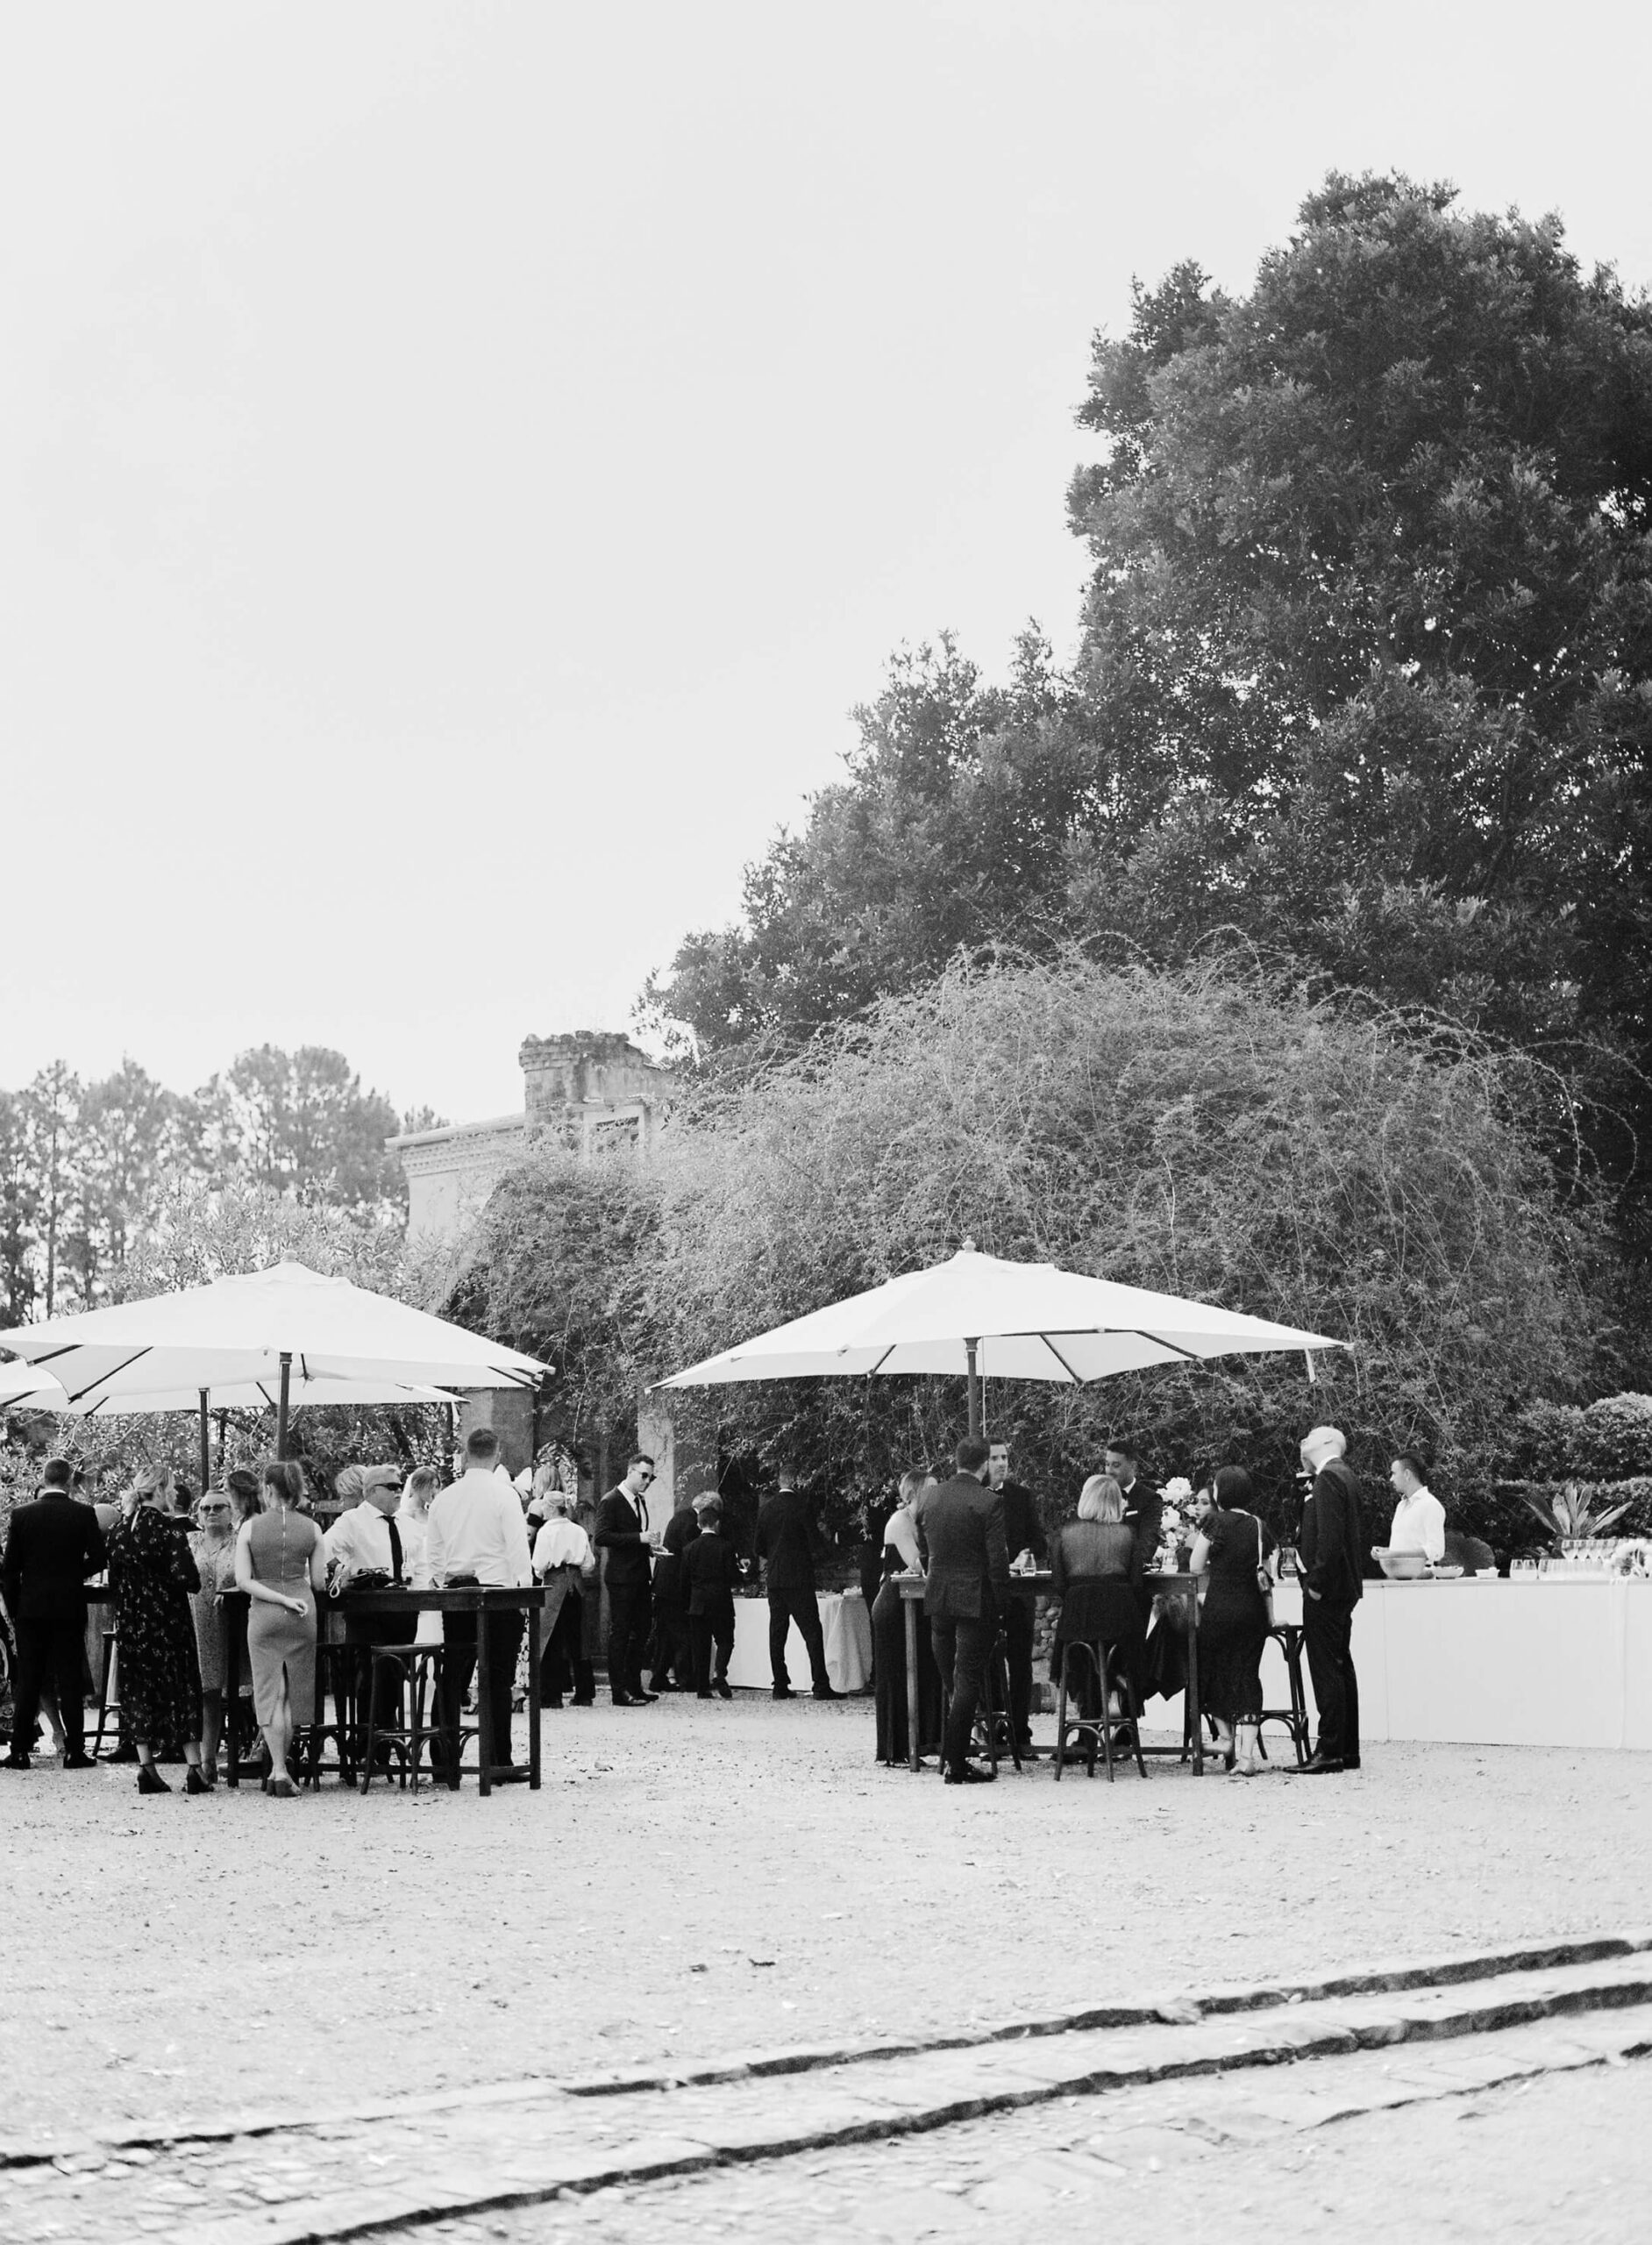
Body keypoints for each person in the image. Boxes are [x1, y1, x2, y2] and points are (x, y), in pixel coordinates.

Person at [426, 1427, 534, 1781]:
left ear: (466, 1453)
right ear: (497, 1454)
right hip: (498, 1593)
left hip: (457, 1593)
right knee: (497, 1678)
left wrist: (442, 1582)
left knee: (453, 1674)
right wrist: (525, 1593)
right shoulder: (504, 1496)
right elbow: (517, 1548)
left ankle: (443, 1759)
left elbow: (435, 1550)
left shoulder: (444, 1497)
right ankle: (497, 1759)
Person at [106, 1462, 210, 1794]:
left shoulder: (119, 1532)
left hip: (133, 1622)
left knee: (138, 1690)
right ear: (163, 1490)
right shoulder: (169, 1530)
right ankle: (195, 1768)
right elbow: (188, 1580)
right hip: (168, 1620)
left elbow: (115, 1582)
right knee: (182, 1688)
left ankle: (146, 1767)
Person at [914, 1436, 1009, 1785]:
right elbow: (997, 1563)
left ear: (955, 1461)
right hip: (975, 1599)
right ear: (983, 1464)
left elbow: (924, 1549)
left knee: (953, 1679)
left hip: (939, 1597)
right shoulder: (988, 1503)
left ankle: (953, 1756)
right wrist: (1001, 1606)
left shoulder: (930, 1497)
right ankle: (956, 1762)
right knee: (967, 1679)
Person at [2, 1456, 106, 1771]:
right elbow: (100, 1559)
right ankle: (75, 1751)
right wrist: (76, 1573)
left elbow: (9, 1570)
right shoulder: (83, 1514)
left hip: (31, 1609)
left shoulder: (22, 1515)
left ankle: (20, 1751)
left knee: (30, 1679)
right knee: (70, 1678)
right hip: (68, 1606)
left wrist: (18, 1606)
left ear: (44, 1479)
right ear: (71, 1481)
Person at [237, 1458, 326, 1798]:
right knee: (289, 1693)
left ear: (268, 1489)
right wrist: (293, 1597)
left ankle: (278, 1768)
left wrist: (277, 1598)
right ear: (298, 1490)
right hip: (303, 1610)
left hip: (264, 1614)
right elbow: (318, 1581)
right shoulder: (313, 1529)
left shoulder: (250, 1528)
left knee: (269, 1692)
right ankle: (281, 1768)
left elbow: (244, 1580)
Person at [324, 1463, 416, 1766]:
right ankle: (367, 1744)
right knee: (370, 1676)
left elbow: (424, 1558)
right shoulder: (353, 1520)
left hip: (402, 1609)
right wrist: (342, 1572)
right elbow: (324, 1549)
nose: (399, 1491)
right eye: (392, 1487)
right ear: (372, 1491)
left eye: (400, 1485)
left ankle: (385, 1743)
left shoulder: (406, 1522)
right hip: (367, 1613)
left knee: (394, 1674)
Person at [1191, 1465, 1276, 1777]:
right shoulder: (1258, 1525)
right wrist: (1271, 1617)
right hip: (1252, 1612)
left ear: (1218, 1493)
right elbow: (1266, 1576)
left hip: (1220, 1608)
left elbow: (1196, 1565)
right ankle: (1247, 1756)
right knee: (1248, 1676)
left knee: (1212, 1670)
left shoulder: (1214, 1521)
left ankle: (1224, 1737)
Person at [1293, 1425, 1365, 1775]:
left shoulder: (1329, 1478)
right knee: (1340, 1665)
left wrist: (1316, 1584)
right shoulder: (1342, 1476)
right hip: (1344, 1587)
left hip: (1329, 1589)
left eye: (1309, 1436)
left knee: (1326, 1668)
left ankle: (1330, 1749)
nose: (1303, 1441)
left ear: (1326, 1442)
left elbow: (1330, 1538)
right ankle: (1346, 1749)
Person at [1049, 1473, 1144, 1735]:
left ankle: (1086, 1730)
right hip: (1120, 1622)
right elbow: (1137, 1583)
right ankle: (1121, 1710)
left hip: (1079, 1620)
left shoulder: (1065, 1535)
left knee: (1083, 1658)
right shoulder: (1128, 1534)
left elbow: (1059, 1584)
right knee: (1120, 1652)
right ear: (1117, 1503)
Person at [872, 1468, 943, 1766]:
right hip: (893, 1605)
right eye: (931, 1489)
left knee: (925, 1671)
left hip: (918, 1605)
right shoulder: (899, 1523)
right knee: (897, 1675)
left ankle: (925, 1741)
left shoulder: (926, 1520)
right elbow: (919, 1564)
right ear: (914, 1493)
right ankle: (894, 1747)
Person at [754, 1473, 838, 1700]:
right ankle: (820, 1684)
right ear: (797, 1482)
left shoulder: (767, 1509)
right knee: (812, 1631)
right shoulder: (802, 1507)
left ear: (779, 1481)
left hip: (775, 1578)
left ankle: (779, 1683)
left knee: (777, 1633)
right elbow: (814, 1543)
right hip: (799, 1576)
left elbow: (759, 1546)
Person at [986, 1440, 1047, 1752]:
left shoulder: (1021, 1497)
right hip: (987, 1594)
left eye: (1005, 1457)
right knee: (989, 1661)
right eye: (995, 1458)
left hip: (1019, 1594)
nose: (1001, 1463)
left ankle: (1020, 1732)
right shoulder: (975, 1497)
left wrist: (1027, 1554)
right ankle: (993, 1730)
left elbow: (1040, 1542)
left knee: (1021, 1663)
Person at [593, 1453, 659, 1707]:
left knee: (642, 1630)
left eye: (651, 1477)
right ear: (630, 1471)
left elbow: (635, 1537)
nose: (647, 1481)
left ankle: (634, 1685)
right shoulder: (611, 1501)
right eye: (643, 1475)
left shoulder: (640, 1501)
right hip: (621, 1577)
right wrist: (638, 1539)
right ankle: (618, 1690)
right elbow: (602, 1537)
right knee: (620, 1632)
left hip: (641, 1574)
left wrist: (650, 1548)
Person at [187, 1484, 239, 1784]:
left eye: (218, 1507)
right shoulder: (190, 1541)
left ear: (231, 1513)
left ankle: (248, 1751)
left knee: (238, 1689)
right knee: (206, 1692)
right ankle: (207, 1759)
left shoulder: (239, 1541)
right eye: (206, 1508)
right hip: (197, 1621)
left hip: (232, 1622)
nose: (211, 1512)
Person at [532, 1485, 597, 1707]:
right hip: (577, 1584)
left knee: (550, 1638)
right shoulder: (578, 1530)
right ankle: (584, 1693)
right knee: (578, 1639)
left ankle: (552, 1695)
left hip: (554, 1583)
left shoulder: (546, 1531)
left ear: (550, 1509)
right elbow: (589, 1563)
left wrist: (542, 1573)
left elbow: (539, 1565)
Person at [681, 1495, 743, 1697]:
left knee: (700, 1646)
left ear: (699, 1525)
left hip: (697, 1602)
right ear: (716, 1524)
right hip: (720, 1601)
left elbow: (684, 1578)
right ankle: (719, 1672)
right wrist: (741, 1572)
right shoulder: (725, 1547)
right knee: (725, 1640)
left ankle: (701, 1688)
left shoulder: (689, 1549)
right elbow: (732, 1576)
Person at [648, 1489, 699, 1693]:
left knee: (666, 1636)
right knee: (682, 1635)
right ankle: (686, 1679)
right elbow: (690, 1553)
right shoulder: (691, 1523)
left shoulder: (680, 1517)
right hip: (675, 1587)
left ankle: (658, 1677)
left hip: (664, 1585)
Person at [1104, 1438, 1162, 1582]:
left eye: (1116, 1465)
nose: (1109, 1471)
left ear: (1132, 1466)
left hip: (1131, 1580)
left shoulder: (1149, 1499)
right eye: (1107, 1464)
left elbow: (1148, 1542)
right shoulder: (1099, 1497)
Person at [1385, 1452, 1446, 1564]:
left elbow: (1436, 1550)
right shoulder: (1401, 1506)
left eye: (1394, 1473)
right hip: (1396, 1576)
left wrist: (1397, 1555)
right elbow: (1404, 1547)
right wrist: (1385, 1553)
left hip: (1421, 1578)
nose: (1391, 1479)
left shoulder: (1430, 1505)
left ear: (1407, 1474)